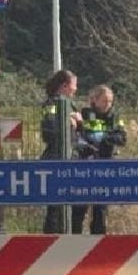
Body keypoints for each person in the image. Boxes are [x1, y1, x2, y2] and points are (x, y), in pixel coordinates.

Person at [73, 85, 127, 234]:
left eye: (110, 101)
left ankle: (98, 242)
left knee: (101, 209)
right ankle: (73, 242)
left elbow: (122, 138)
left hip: (105, 165)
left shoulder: (115, 117)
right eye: (104, 101)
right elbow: (80, 134)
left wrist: (104, 139)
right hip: (85, 165)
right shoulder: (85, 114)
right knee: (79, 208)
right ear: (95, 100)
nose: (107, 104)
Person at [39, 69, 84, 234]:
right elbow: (48, 131)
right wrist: (68, 122)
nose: (76, 89)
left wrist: (80, 123)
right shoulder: (51, 105)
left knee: (78, 205)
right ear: (64, 86)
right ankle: (50, 241)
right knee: (55, 208)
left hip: (73, 158)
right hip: (57, 159)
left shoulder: (70, 104)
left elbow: (79, 133)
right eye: (74, 85)